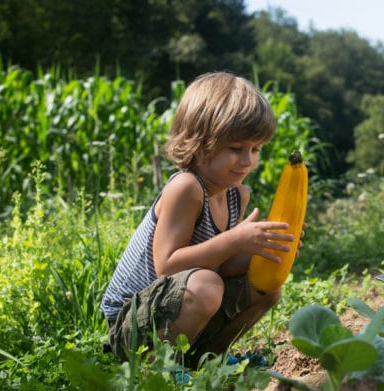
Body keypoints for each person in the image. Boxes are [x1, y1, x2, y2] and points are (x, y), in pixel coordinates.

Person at [100, 71, 298, 370]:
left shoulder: (236, 195)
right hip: (132, 325)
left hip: (178, 308)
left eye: (255, 149)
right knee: (206, 285)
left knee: (266, 284)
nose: (248, 161)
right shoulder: (186, 188)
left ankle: (207, 363)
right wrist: (234, 240)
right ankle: (159, 369)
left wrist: (262, 245)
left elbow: (223, 264)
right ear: (199, 142)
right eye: (236, 149)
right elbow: (167, 265)